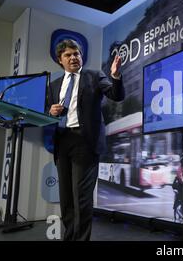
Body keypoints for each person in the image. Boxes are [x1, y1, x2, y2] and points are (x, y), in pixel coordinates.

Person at [47, 39, 125, 240]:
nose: (73, 57)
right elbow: (47, 114)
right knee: (66, 200)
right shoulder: (54, 85)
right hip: (62, 142)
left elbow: (116, 95)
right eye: (68, 55)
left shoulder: (94, 76)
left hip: (85, 142)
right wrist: (51, 111)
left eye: (76, 54)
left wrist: (115, 76)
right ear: (60, 60)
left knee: (81, 199)